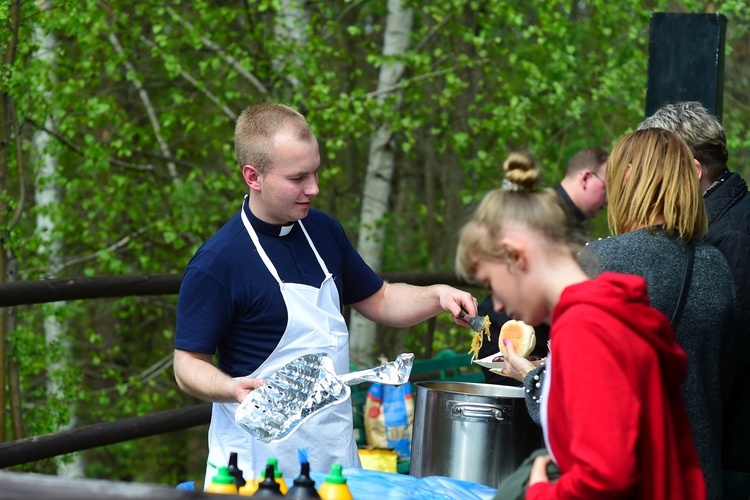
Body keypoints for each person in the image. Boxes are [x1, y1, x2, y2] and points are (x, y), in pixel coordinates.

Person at [172, 102, 479, 488]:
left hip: (335, 463)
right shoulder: (217, 263)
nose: (314, 188)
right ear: (254, 176)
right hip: (256, 469)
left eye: (316, 172)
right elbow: (186, 364)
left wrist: (436, 295)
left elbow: (380, 298)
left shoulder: (324, 231)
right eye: (298, 178)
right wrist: (231, 388)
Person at [455, 150, 705, 498]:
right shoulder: (607, 311)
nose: (496, 305)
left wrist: (540, 492)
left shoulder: (584, 327)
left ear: (516, 256)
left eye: (491, 283)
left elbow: (605, 477)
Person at [504, 128, 736, 500]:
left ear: (629, 185)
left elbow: (584, 410)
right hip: (700, 478)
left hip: (634, 482)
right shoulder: (718, 267)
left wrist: (532, 377)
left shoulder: (601, 263)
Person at [638, 101, 750, 498]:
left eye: (658, 167)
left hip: (731, 457)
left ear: (693, 171)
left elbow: (722, 358)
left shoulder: (732, 240)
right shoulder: (725, 224)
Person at [477, 147, 608, 384]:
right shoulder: (549, 214)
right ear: (586, 177)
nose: (608, 199)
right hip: (507, 339)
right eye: (606, 188)